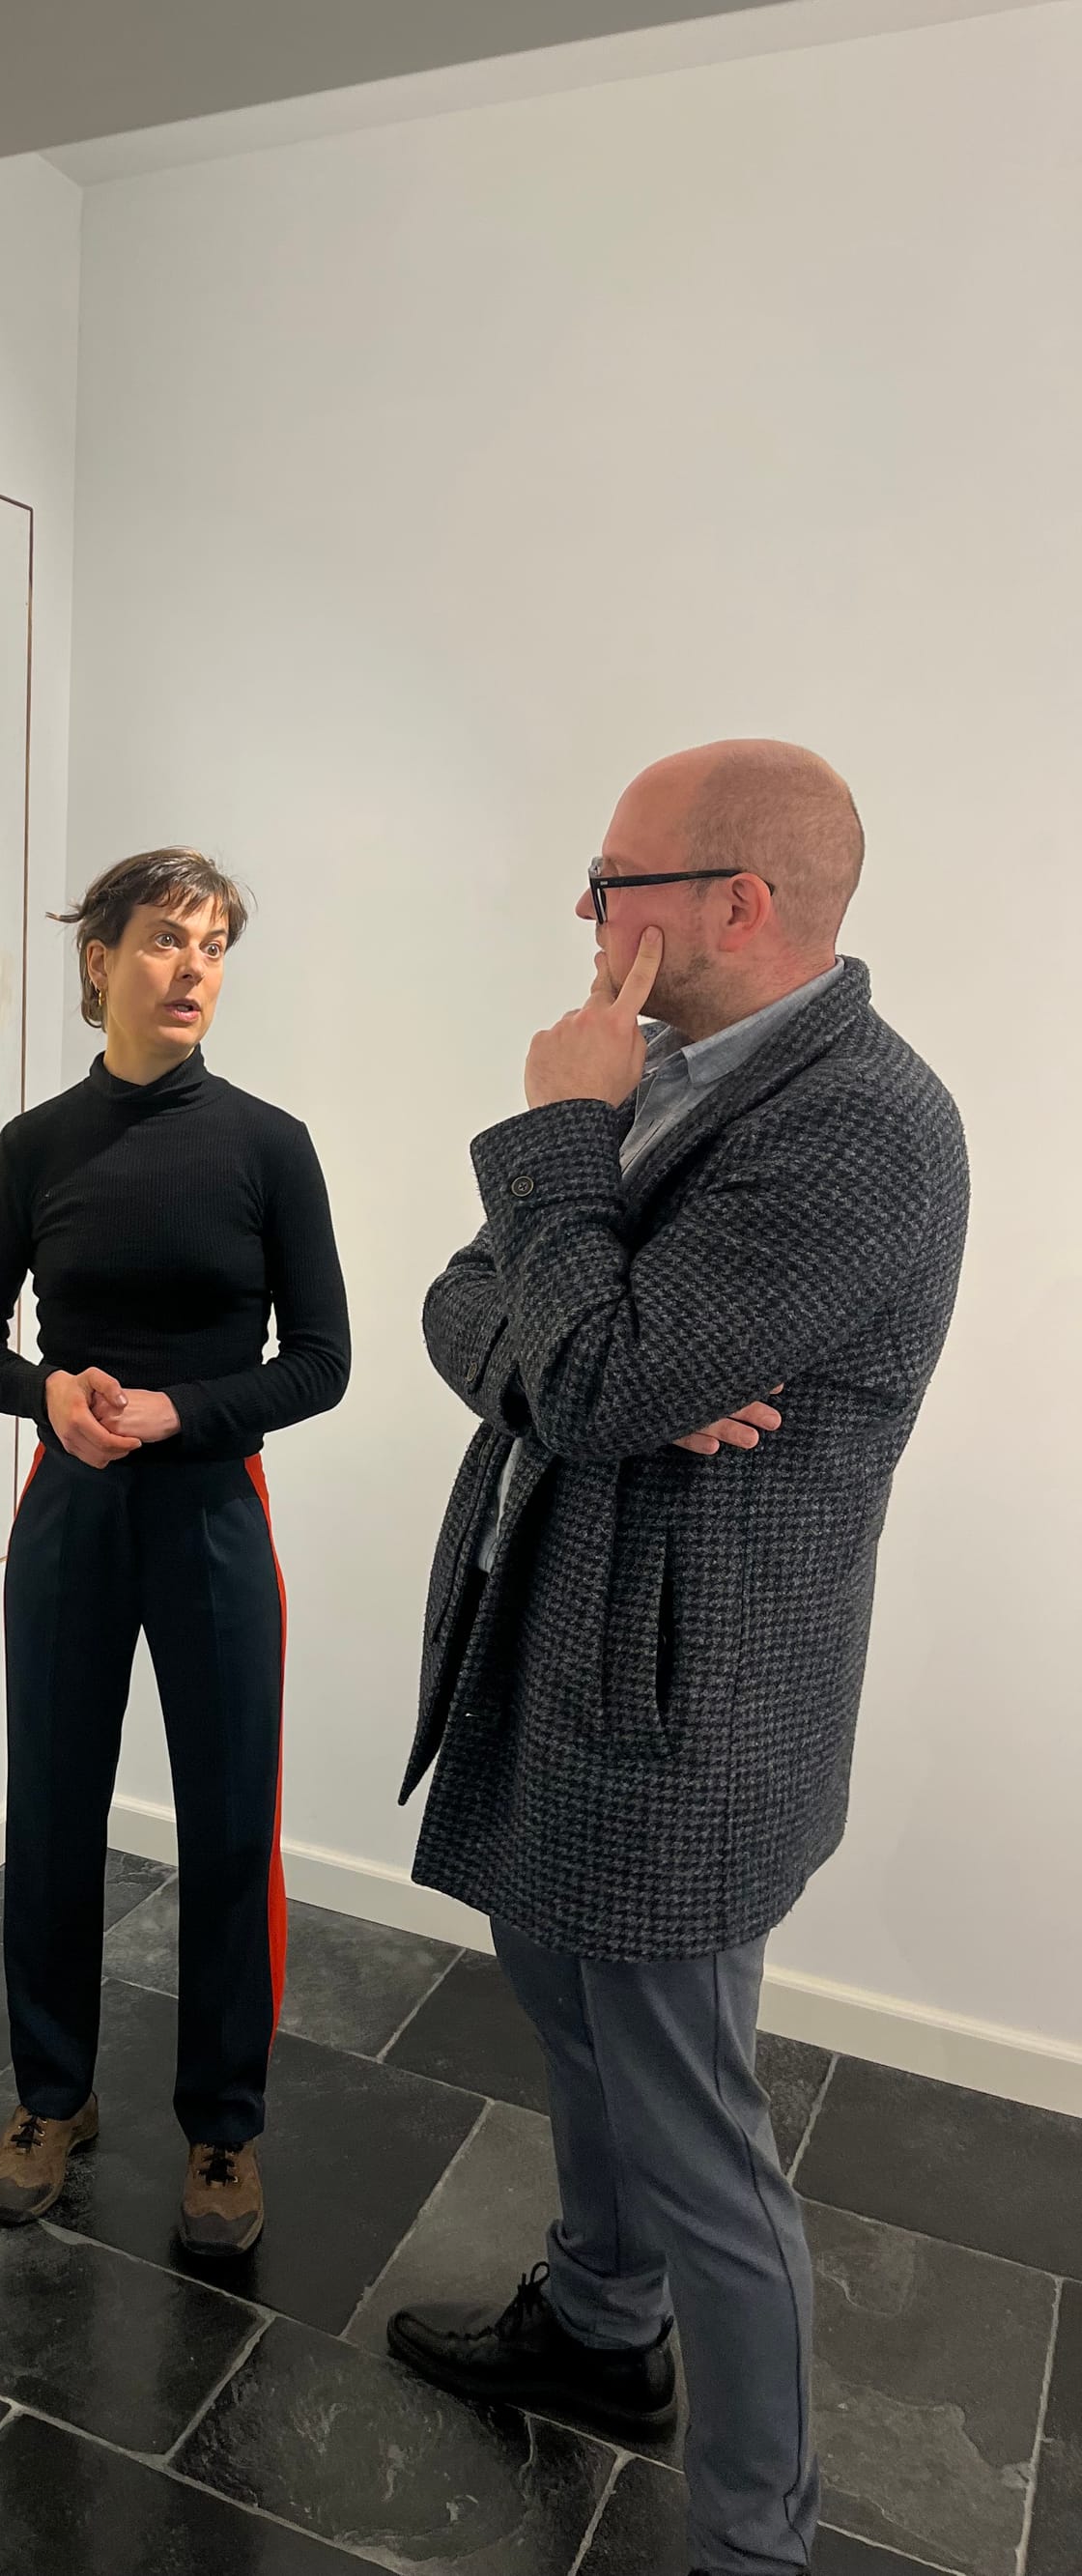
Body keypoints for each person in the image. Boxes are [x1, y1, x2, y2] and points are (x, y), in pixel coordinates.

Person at [387, 742, 967, 2576]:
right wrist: (591, 1352)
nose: (586, 914)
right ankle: (597, 2325)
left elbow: (608, 1365)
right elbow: (468, 1305)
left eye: (614, 876)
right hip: (560, 1651)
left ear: (739, 901)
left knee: (702, 2129)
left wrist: (567, 1164)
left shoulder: (863, 1122)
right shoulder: (672, 1078)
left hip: (683, 1705)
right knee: (575, 2027)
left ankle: (751, 2541)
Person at [0, 847, 351, 2255]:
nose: (195, 970)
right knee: (52, 1809)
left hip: (216, 1516)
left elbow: (326, 1364)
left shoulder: (266, 1145)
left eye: (218, 944)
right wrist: (46, 1396)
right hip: (69, 1511)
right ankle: (52, 2097)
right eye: (169, 940)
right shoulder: (36, 1147)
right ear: (101, 957)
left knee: (231, 1824)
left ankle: (223, 2132)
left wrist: (184, 1408)